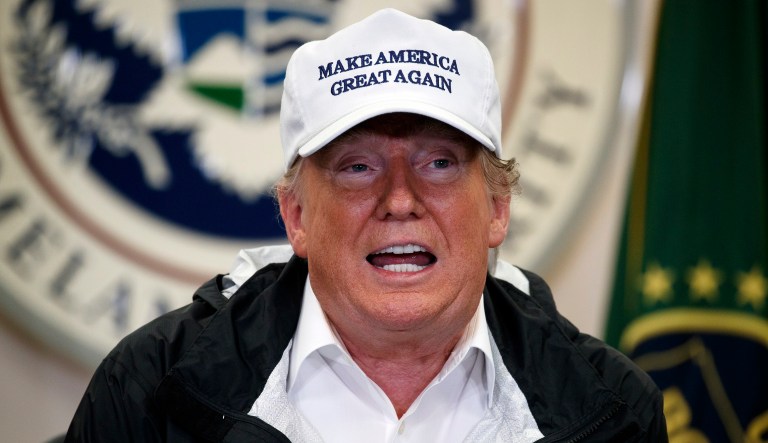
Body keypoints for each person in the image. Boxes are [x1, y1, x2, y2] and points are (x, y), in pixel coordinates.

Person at [65, 8, 667, 442]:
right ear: (295, 216)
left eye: (438, 163)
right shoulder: (148, 390)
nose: (400, 200)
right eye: (357, 167)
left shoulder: (614, 410)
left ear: (498, 208)